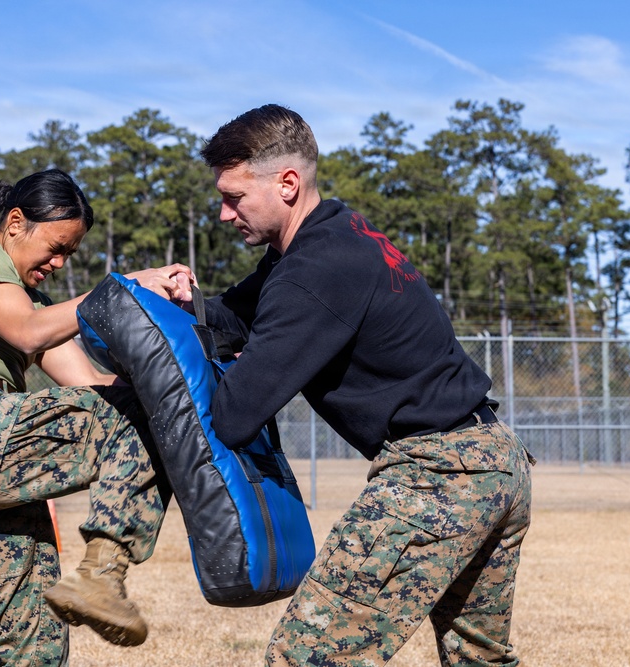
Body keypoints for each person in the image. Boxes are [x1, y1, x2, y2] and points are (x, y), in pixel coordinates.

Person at [197, 104, 535, 666]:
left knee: (309, 656)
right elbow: (230, 317)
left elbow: (233, 414)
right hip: (494, 460)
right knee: (478, 660)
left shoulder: (314, 270)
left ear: (287, 184)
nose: (225, 213)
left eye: (235, 197)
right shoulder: (331, 237)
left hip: (440, 474)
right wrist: (162, 300)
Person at [0, 168, 192, 666]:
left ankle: (99, 577)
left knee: (37, 646)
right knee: (138, 410)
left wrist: (197, 366)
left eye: (71, 254)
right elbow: (25, 332)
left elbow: (93, 388)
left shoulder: (35, 301)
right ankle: (102, 573)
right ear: (16, 222)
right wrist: (125, 287)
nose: (60, 263)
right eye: (56, 246)